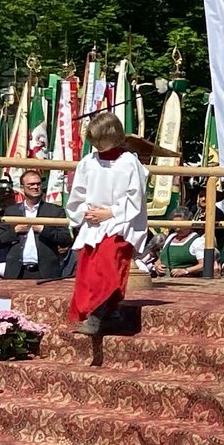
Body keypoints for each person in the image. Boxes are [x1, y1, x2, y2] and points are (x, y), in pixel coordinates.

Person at [65, 112, 152, 336]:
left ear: (113, 136)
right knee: (89, 268)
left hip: (119, 222)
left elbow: (135, 198)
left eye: (99, 139)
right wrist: (87, 212)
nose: (96, 144)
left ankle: (100, 313)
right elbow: (78, 194)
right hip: (94, 222)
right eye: (92, 140)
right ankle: (106, 313)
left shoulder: (129, 163)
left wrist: (110, 212)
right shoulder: (88, 162)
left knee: (109, 265)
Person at [0, 170, 71, 280]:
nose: (35, 187)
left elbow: (66, 238)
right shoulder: (11, 211)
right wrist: (14, 231)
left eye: (38, 184)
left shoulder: (55, 211)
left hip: (45, 273)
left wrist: (43, 230)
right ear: (22, 187)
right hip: (16, 273)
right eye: (31, 184)